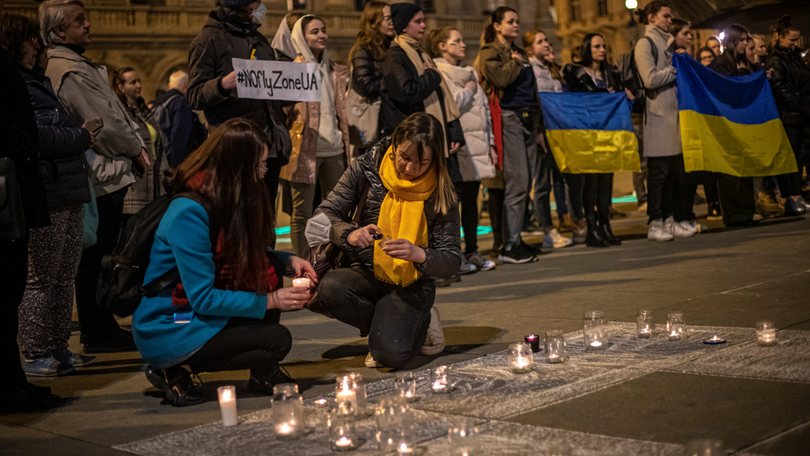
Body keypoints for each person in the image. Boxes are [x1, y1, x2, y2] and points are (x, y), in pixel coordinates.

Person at [133, 118, 316, 407]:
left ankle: (261, 375)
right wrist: (271, 300)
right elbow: (203, 298)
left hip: (197, 312)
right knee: (276, 340)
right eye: (259, 165)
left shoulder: (225, 197)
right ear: (238, 167)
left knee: (265, 273)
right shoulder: (189, 212)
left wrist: (288, 261)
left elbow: (250, 253)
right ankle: (173, 368)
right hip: (172, 321)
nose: (262, 173)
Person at [41, 0, 149, 353]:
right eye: (79, 20)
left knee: (99, 255)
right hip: (100, 172)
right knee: (95, 258)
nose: (88, 25)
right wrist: (134, 149)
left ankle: (99, 325)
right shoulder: (69, 70)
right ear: (59, 31)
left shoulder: (76, 64)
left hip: (103, 170)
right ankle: (97, 330)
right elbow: (102, 122)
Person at [314, 112, 461, 369]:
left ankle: (416, 321)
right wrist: (349, 232)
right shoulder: (366, 167)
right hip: (365, 271)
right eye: (405, 158)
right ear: (394, 146)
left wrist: (420, 255)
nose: (410, 169)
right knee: (330, 289)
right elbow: (321, 217)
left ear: (435, 159)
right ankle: (393, 325)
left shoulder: (441, 189)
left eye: (422, 162)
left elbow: (452, 259)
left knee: (390, 356)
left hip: (412, 282)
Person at [3, 13, 95, 377]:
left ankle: (58, 345)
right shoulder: (20, 85)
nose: (39, 45)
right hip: (48, 189)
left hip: (66, 188)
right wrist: (82, 137)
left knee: (64, 275)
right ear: (17, 43)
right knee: (41, 277)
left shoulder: (40, 83)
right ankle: (36, 350)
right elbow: (40, 137)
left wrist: (75, 132)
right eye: (31, 38)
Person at [0, 13, 64, 411]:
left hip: (17, 186)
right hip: (9, 186)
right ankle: (9, 388)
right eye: (30, 39)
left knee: (12, 291)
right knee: (8, 291)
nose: (38, 46)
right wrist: (26, 146)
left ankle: (13, 381)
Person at [187, 0, 292, 210]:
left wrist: (297, 86)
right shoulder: (208, 40)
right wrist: (222, 84)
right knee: (239, 215)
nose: (260, 10)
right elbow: (194, 95)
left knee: (265, 216)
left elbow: (271, 94)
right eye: (255, 6)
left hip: (269, 147)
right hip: (237, 149)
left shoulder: (259, 41)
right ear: (241, 7)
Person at [427, 26, 497, 276]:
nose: (463, 44)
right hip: (457, 143)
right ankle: (453, 255)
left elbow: (484, 112)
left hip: (476, 145)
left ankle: (472, 250)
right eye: (456, 40)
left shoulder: (469, 72)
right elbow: (449, 105)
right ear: (442, 46)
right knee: (452, 204)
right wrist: (468, 90)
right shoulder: (438, 71)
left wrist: (490, 143)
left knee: (472, 203)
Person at [477, 6, 543, 263]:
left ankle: (515, 238)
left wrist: (539, 128)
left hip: (529, 120)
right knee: (517, 183)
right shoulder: (489, 52)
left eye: (517, 21)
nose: (516, 25)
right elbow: (500, 78)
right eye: (510, 21)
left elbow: (532, 91)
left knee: (525, 183)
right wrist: (516, 61)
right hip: (509, 119)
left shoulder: (519, 52)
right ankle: (509, 245)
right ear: (497, 26)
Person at [281, 15, 350, 257]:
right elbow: (283, 112)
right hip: (303, 151)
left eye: (323, 30)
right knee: (302, 214)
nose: (322, 35)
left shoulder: (333, 69)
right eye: (314, 32)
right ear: (301, 37)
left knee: (333, 212)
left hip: (335, 150)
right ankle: (303, 265)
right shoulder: (294, 69)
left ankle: (326, 260)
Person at [634, 1, 695, 241]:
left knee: (672, 173)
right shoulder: (645, 43)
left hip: (672, 115)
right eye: (666, 16)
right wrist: (675, 68)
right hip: (658, 116)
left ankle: (668, 218)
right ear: (651, 18)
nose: (670, 20)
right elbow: (649, 79)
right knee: (658, 173)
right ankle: (655, 221)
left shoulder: (666, 43)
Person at [563, 34, 632, 248]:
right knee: (591, 181)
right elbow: (576, 99)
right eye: (597, 46)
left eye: (603, 46)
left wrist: (624, 95)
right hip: (588, 132)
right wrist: (604, 94)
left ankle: (605, 224)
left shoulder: (611, 72)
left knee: (606, 180)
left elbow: (619, 95)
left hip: (608, 132)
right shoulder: (574, 71)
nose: (602, 49)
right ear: (587, 49)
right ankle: (592, 227)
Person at [380, 3, 463, 155]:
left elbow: (443, 97)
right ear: (404, 26)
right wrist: (432, 76)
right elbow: (406, 93)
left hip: (431, 135)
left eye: (423, 20)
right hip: (413, 138)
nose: (424, 25)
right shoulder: (395, 56)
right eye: (418, 22)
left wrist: (454, 131)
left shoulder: (421, 53)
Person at [523, 29, 578, 249]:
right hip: (542, 132)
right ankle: (547, 230)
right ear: (529, 49)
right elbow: (533, 104)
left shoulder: (550, 69)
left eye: (546, 40)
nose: (546, 44)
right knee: (543, 183)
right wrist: (538, 132)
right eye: (540, 42)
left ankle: (569, 218)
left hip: (559, 132)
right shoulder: (530, 72)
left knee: (564, 178)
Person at [112, 67, 169, 225]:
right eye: (133, 82)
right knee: (132, 229)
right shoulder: (119, 112)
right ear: (121, 88)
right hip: (134, 183)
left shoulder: (144, 111)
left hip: (153, 180)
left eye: (139, 81)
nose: (138, 85)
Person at [766, 15, 809, 215]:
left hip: (798, 113)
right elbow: (778, 86)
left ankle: (795, 193)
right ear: (781, 38)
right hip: (788, 114)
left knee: (799, 156)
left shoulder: (793, 56)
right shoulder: (776, 58)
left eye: (797, 39)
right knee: (790, 156)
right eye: (792, 39)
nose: (795, 43)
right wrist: (798, 103)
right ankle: (790, 195)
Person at [152, 70, 207, 170]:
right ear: (186, 85)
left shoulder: (157, 102)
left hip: (158, 159)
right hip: (174, 164)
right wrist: (176, 166)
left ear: (170, 85)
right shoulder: (181, 103)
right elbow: (181, 136)